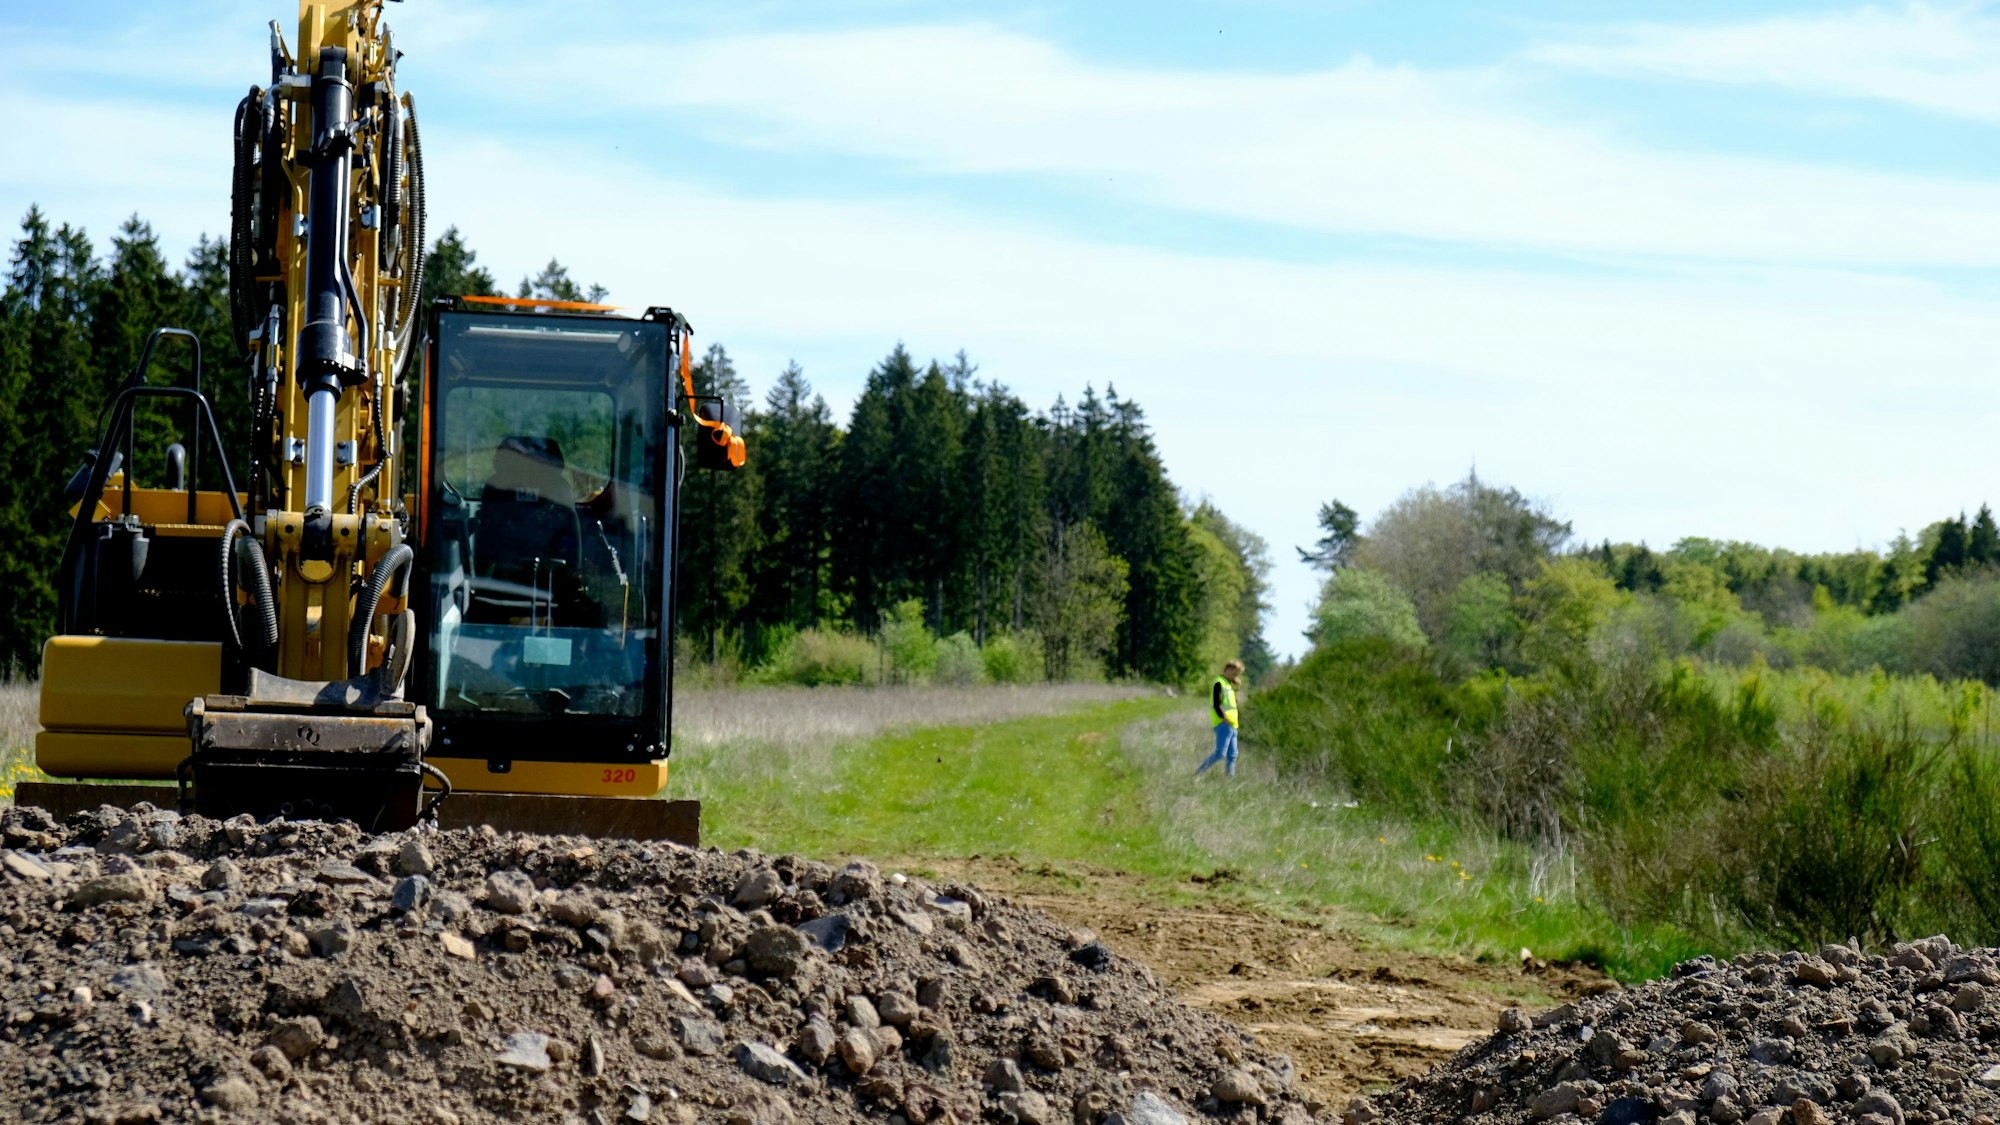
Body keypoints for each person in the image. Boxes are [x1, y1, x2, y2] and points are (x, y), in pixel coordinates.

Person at [1195, 660, 1244, 777]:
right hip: (1223, 723)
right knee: (1220, 754)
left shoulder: (1228, 684)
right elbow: (1216, 703)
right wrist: (1223, 717)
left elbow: (1234, 703)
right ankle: (1198, 774)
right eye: (1235, 673)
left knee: (1232, 755)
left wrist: (1237, 688)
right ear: (1228, 670)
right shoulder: (1219, 683)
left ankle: (1230, 780)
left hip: (1232, 724)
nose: (1236, 676)